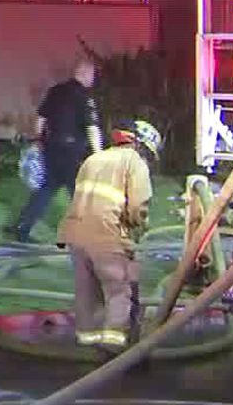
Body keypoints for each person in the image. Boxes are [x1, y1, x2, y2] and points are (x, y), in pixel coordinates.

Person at [59, 119, 162, 356]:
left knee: (88, 291)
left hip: (75, 235)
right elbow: (138, 206)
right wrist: (137, 226)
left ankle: (88, 346)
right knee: (120, 291)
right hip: (107, 235)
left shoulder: (93, 159)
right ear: (141, 146)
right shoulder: (134, 162)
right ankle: (116, 351)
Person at [13, 58, 103, 243]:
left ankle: (23, 226)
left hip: (51, 149)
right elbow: (92, 128)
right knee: (80, 192)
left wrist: (39, 141)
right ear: (84, 74)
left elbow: (39, 120)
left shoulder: (56, 91)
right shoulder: (84, 97)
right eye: (93, 75)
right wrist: (98, 154)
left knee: (47, 187)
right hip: (72, 153)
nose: (93, 79)